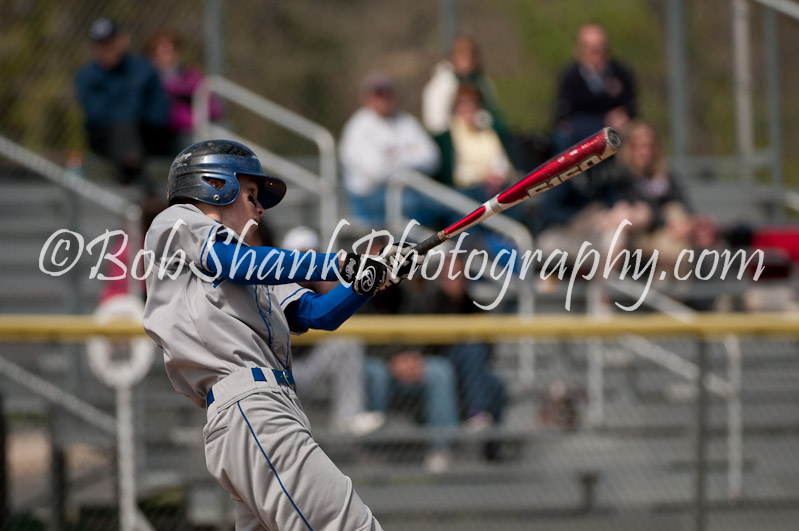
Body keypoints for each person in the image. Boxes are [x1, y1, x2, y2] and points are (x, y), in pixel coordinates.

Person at [142, 139, 420, 530]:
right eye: (251, 194)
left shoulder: (252, 268)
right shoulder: (178, 222)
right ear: (213, 184)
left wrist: (369, 280)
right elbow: (233, 261)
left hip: (266, 410)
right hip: (250, 407)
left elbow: (316, 313)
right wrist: (340, 261)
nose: (259, 208)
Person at [280, 226, 385, 436]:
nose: (305, 262)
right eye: (300, 256)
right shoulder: (277, 283)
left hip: (311, 367)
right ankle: (347, 419)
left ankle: (348, 418)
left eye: (310, 255)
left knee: (348, 343)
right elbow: (319, 317)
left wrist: (329, 287)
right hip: (281, 371)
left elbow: (342, 320)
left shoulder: (322, 286)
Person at [75, 18, 170, 187]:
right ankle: (134, 171)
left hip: (143, 134)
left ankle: (130, 167)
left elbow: (158, 110)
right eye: (101, 44)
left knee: (128, 128)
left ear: (121, 41)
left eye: (110, 42)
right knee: (122, 128)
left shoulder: (142, 69)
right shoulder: (87, 77)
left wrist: (128, 113)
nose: (107, 49)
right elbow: (96, 114)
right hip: (106, 137)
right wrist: (130, 110)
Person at [339, 71, 440, 227]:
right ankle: (410, 250)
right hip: (370, 198)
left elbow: (432, 159)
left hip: (410, 190)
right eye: (378, 94)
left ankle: (466, 248)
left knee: (447, 204)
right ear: (367, 97)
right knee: (411, 205)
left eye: (388, 93)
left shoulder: (406, 121)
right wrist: (410, 156)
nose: (383, 99)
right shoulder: (358, 127)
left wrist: (394, 159)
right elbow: (376, 171)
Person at [552, 22, 637, 150]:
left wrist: (624, 116)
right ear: (580, 51)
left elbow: (631, 105)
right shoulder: (571, 77)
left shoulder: (620, 74)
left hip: (618, 134)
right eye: (592, 50)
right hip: (580, 136)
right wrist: (604, 120)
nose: (598, 53)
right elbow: (563, 114)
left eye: (601, 47)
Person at [145, 30, 224, 153]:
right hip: (172, 133)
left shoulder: (192, 75)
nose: (169, 56)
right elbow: (163, 115)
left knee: (225, 132)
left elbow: (214, 107)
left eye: (172, 51)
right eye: (163, 52)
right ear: (153, 55)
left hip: (202, 127)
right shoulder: (149, 79)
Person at [422, 35, 509, 144]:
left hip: (482, 137)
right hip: (453, 142)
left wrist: (479, 120)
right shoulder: (441, 84)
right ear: (453, 57)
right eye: (462, 55)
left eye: (471, 56)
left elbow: (492, 112)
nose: (468, 60)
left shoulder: (482, 83)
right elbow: (436, 123)